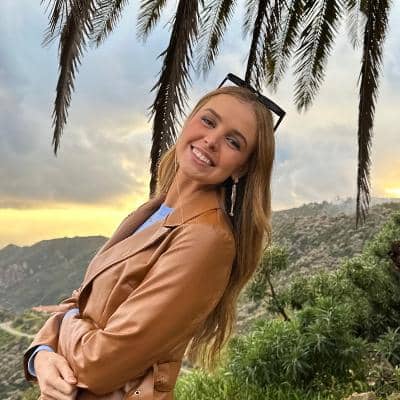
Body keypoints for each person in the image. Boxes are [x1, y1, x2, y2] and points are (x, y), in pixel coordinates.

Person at [22, 80, 278, 400]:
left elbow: (99, 365)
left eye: (233, 141)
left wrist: (67, 321)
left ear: (243, 168)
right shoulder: (151, 212)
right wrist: (42, 355)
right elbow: (83, 299)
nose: (212, 140)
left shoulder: (207, 239)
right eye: (208, 121)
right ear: (189, 121)